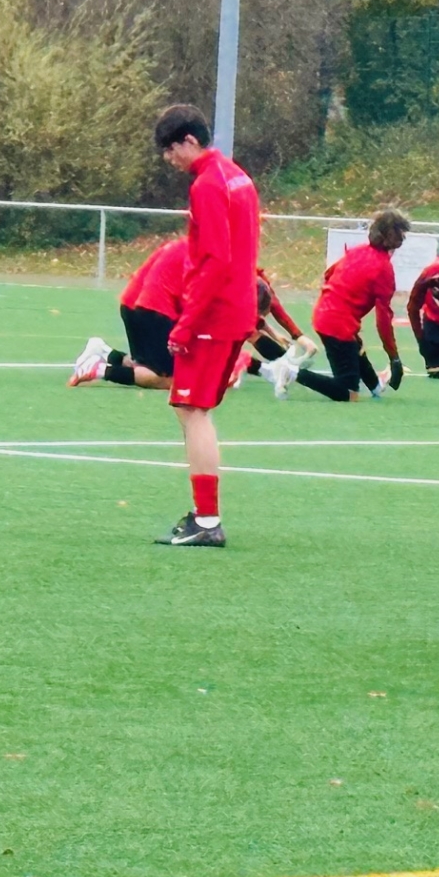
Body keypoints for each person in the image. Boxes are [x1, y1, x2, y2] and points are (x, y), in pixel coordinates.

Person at [153, 104, 260, 549]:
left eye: (170, 149)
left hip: (214, 314)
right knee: (193, 409)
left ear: (190, 140)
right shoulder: (237, 176)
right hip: (236, 308)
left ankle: (207, 519)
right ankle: (204, 514)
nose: (168, 159)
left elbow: (215, 259)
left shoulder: (209, 185)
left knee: (192, 410)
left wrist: (186, 322)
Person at [271, 210, 409, 402]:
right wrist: (394, 357)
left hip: (324, 312)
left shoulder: (359, 251)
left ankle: (376, 386)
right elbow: (383, 319)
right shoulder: (383, 269)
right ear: (394, 237)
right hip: (337, 324)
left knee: (354, 345)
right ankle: (291, 372)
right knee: (349, 393)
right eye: (402, 233)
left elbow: (329, 274)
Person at [69, 237, 192, 389]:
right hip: (153, 309)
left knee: (145, 365)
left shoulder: (181, 244)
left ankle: (105, 352)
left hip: (132, 302)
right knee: (169, 379)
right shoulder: (206, 256)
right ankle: (98, 370)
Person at [243, 270, 314, 379]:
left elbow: (272, 305)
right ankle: (280, 366)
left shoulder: (257, 283)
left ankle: (285, 365)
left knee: (248, 333)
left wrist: (296, 335)